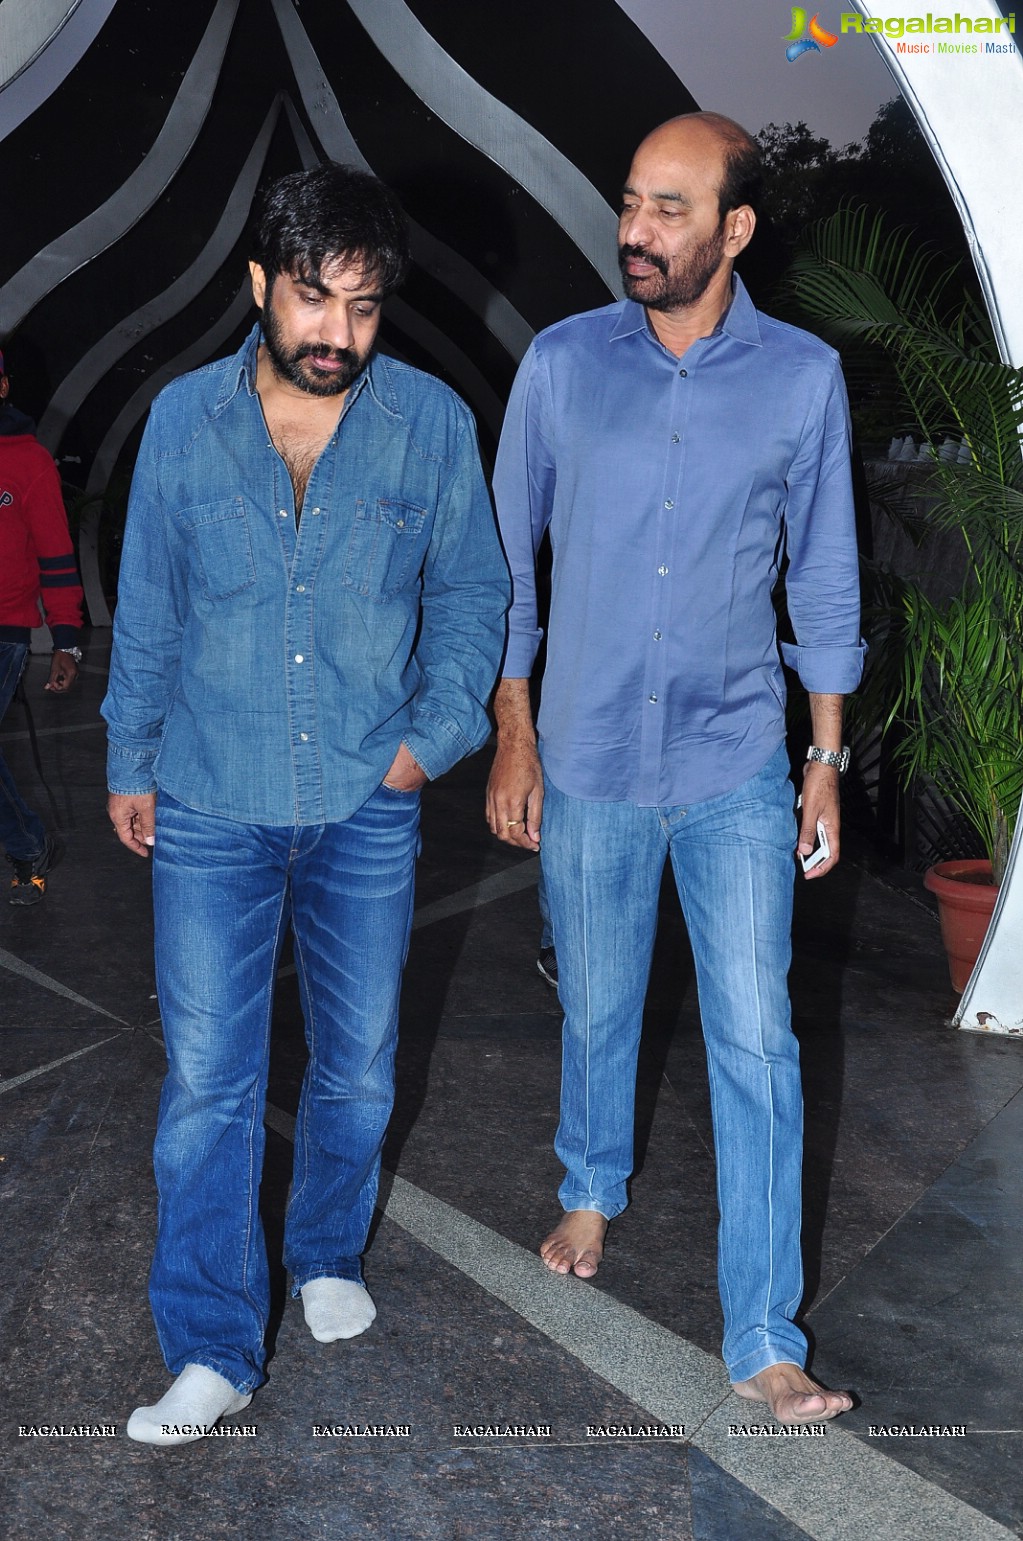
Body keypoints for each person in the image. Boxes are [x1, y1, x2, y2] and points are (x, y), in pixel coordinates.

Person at [103, 164, 509, 1444]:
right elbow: (151, 603)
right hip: (213, 796)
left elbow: (474, 598)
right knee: (211, 1078)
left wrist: (427, 743)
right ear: (259, 287)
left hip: (364, 799)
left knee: (360, 1060)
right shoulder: (180, 421)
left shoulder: (431, 424)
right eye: (314, 299)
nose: (338, 334)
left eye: (367, 308)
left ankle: (328, 1250)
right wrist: (129, 755)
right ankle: (213, 1341)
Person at [486, 113, 863, 1425]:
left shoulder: (801, 379)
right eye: (629, 203)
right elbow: (507, 562)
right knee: (596, 1001)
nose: (633, 231)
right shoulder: (559, 365)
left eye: (667, 209)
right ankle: (590, 1186)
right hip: (584, 748)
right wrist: (515, 728)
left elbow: (819, 576)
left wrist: (820, 759)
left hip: (730, 758)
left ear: (732, 229)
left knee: (754, 1035)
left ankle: (762, 1330)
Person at [0, 347, 82, 903]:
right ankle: (29, 843)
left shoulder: (28, 462)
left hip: (3, 629)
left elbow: (56, 555)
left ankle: (29, 843)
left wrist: (68, 642)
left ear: (3, 386)